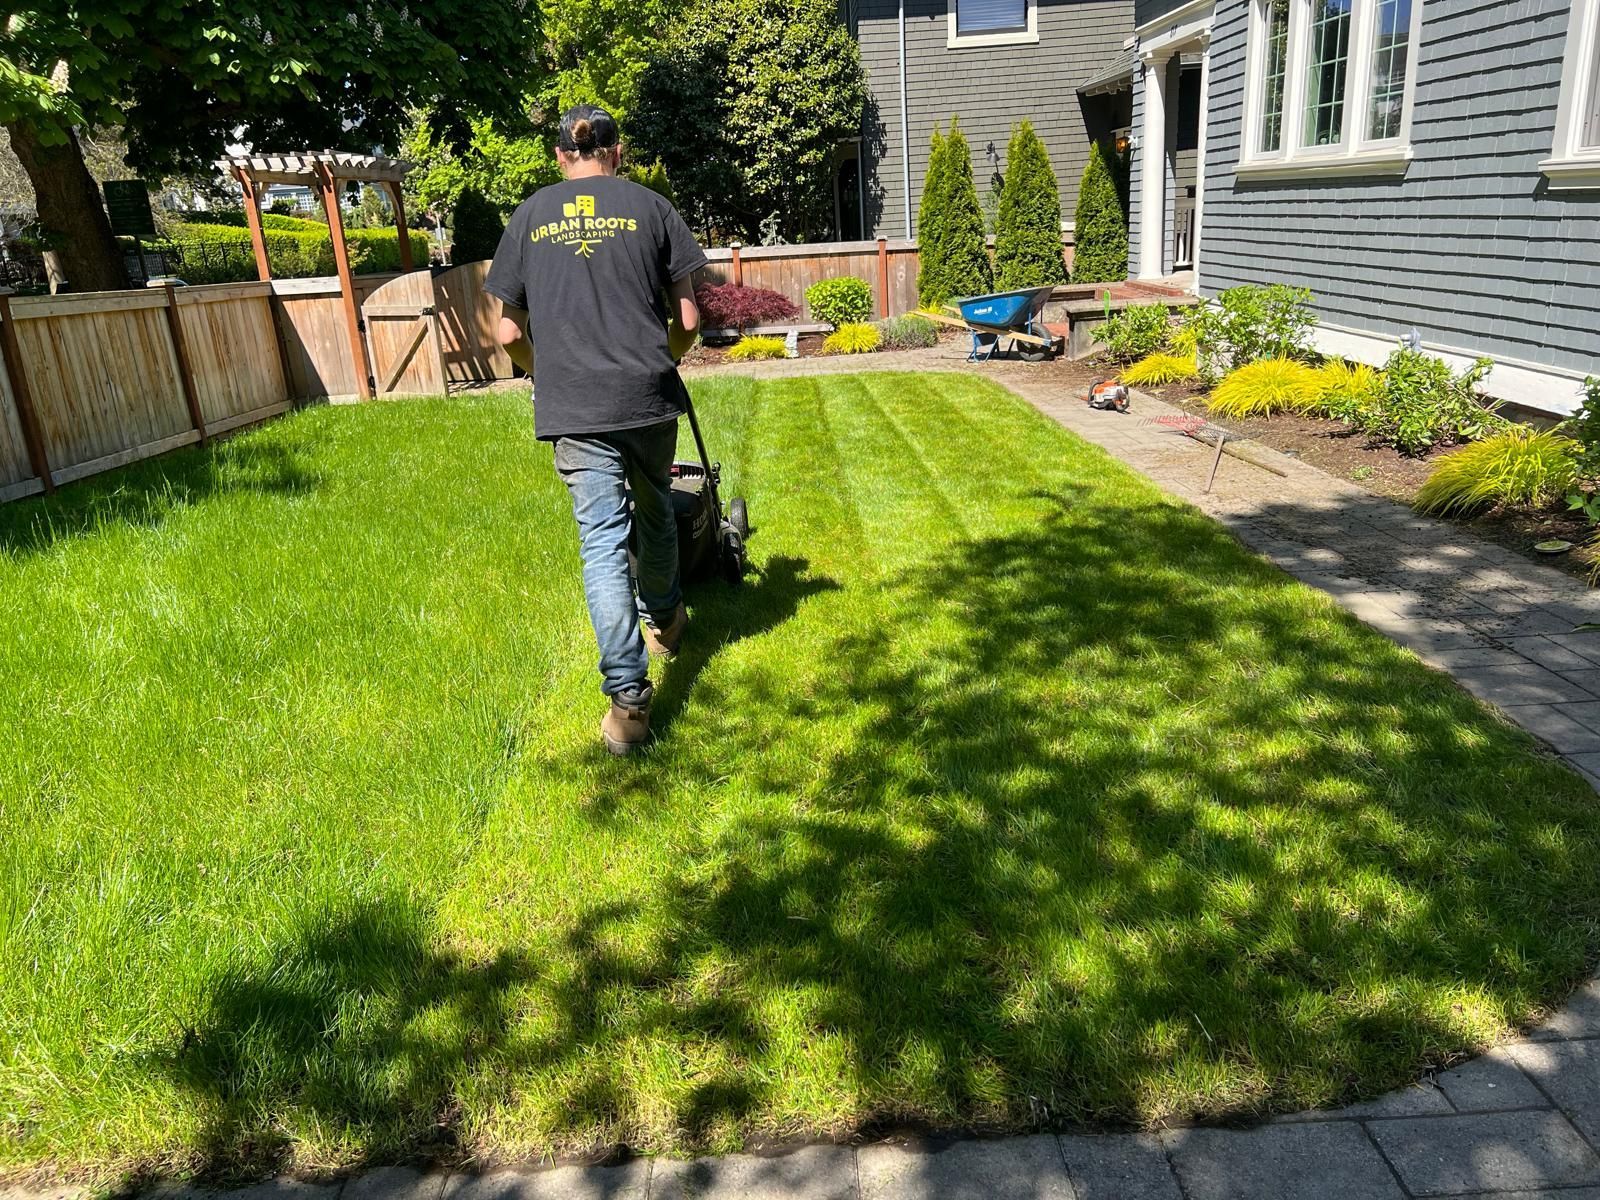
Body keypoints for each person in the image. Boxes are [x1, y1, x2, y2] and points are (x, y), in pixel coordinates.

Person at [484, 104, 706, 756]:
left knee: (604, 544)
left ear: (561, 156)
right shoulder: (652, 208)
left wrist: (544, 372)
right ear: (617, 151)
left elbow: (507, 333)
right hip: (646, 398)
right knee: (657, 513)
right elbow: (689, 317)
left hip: (574, 406)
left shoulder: (528, 217)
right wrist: (661, 359)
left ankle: (629, 702)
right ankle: (664, 619)